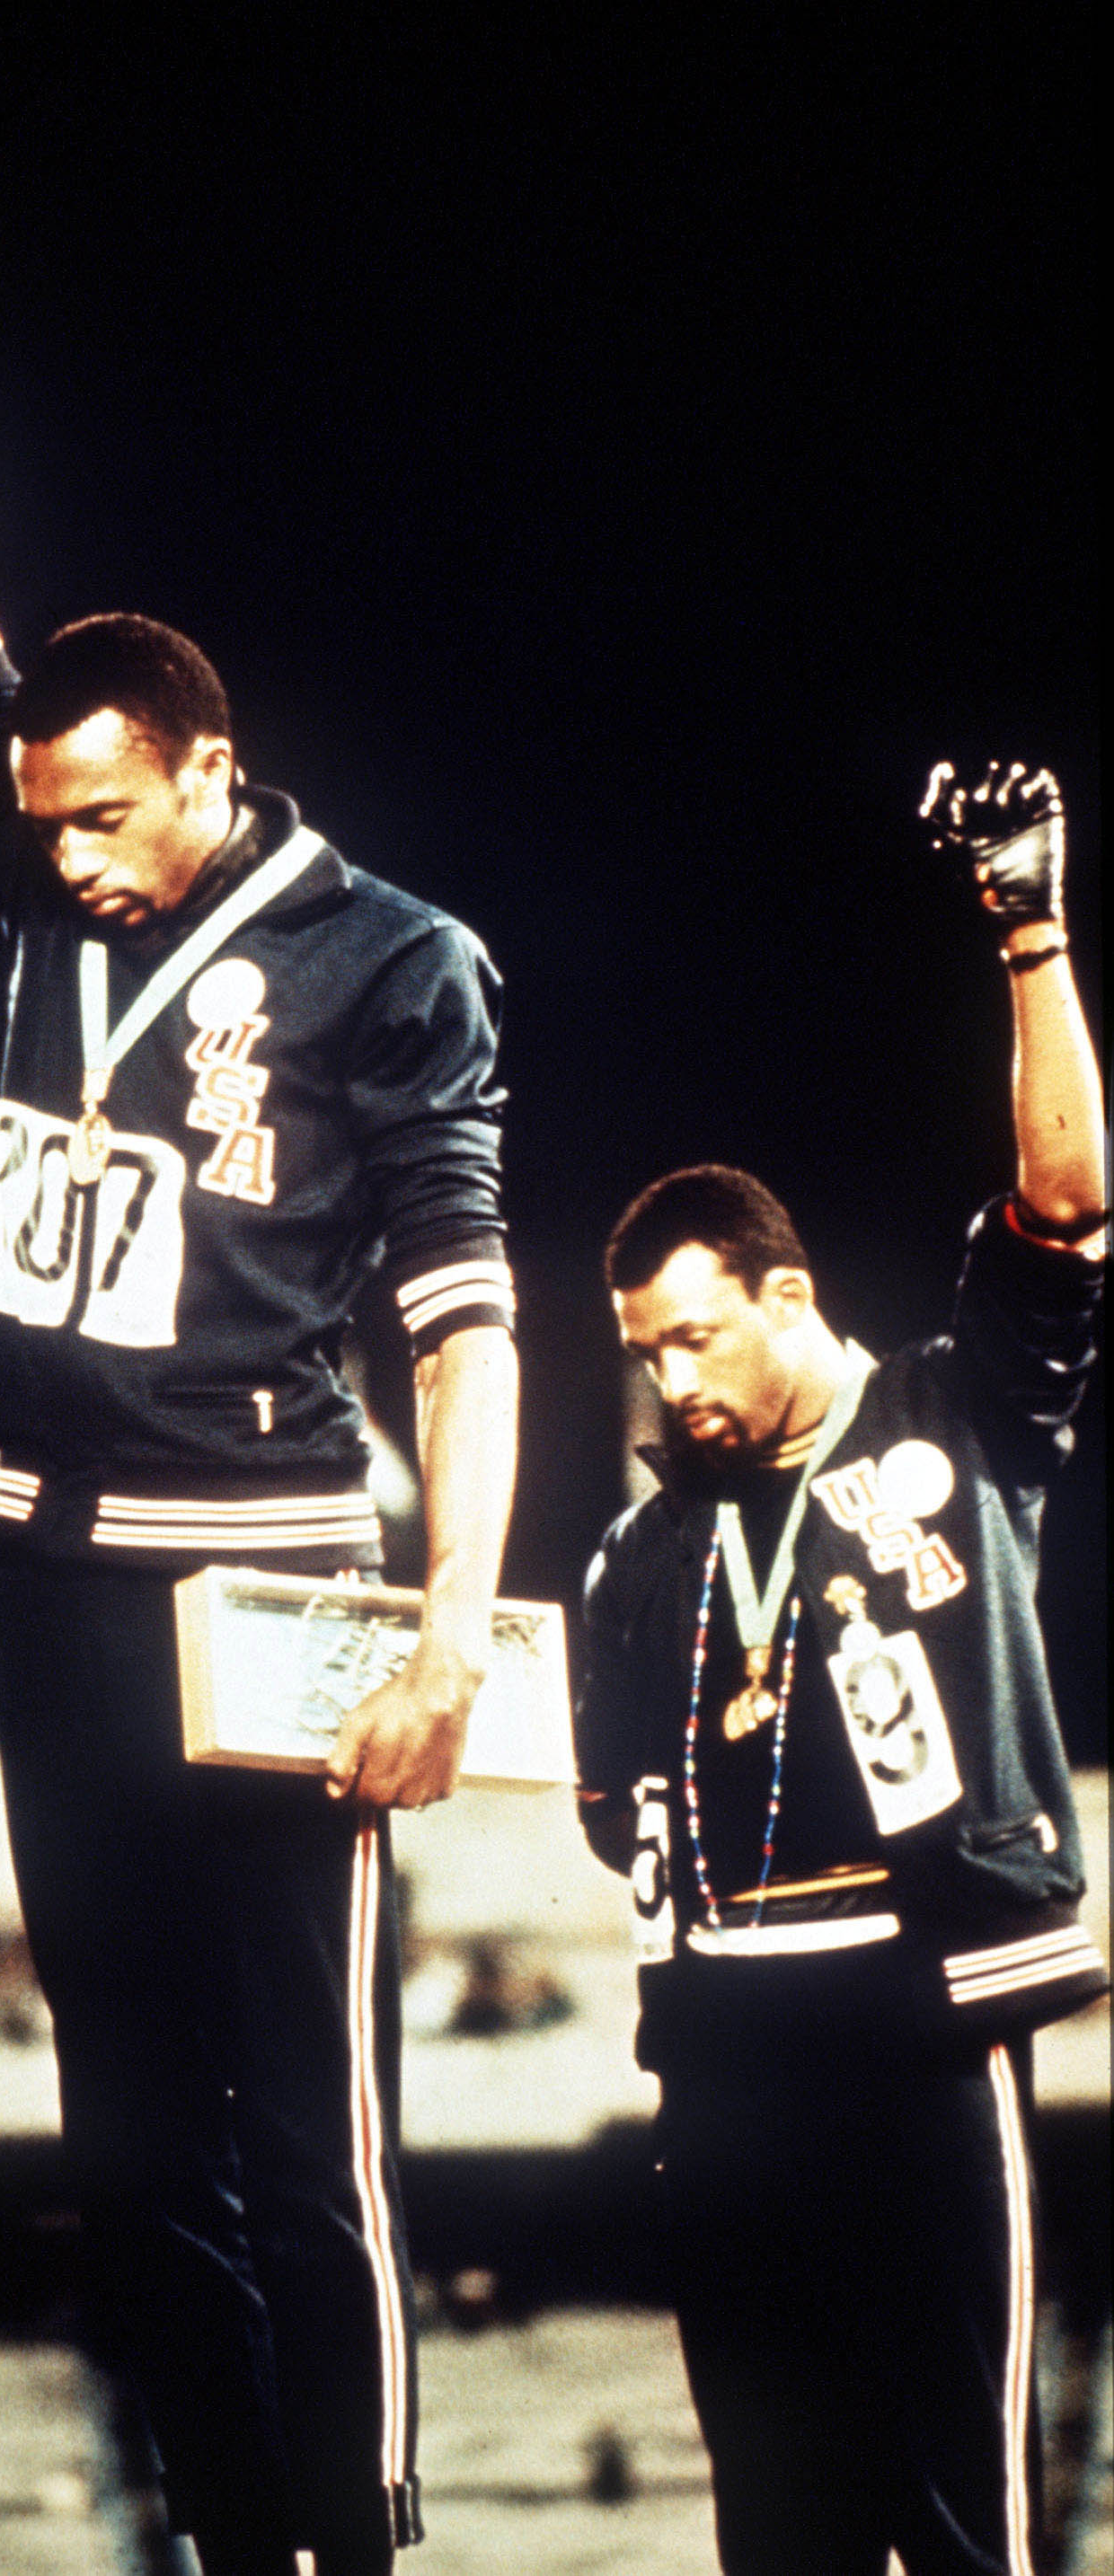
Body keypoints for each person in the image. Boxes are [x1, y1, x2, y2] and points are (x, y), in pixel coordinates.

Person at [0, 84, 519, 2574]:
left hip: (278, 1574)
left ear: (211, 774)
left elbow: (465, 1321)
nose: (48, 858)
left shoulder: (396, 961)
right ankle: (223, 2544)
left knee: (311, 2133)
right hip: (47, 1564)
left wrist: (456, 1631)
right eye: (35, 819)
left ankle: (358, 2542)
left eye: (97, 821)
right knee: (130, 2138)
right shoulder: (38, 848)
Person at [574, 761, 1107, 2575]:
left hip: (911, 2020)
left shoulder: (950, 1415)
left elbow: (1060, 1206)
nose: (672, 1385)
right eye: (645, 1355)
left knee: (964, 2514)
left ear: (785, 1299)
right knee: (773, 2531)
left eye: (696, 1339)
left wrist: (1025, 927)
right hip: (718, 2044)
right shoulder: (640, 1549)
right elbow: (594, 1803)